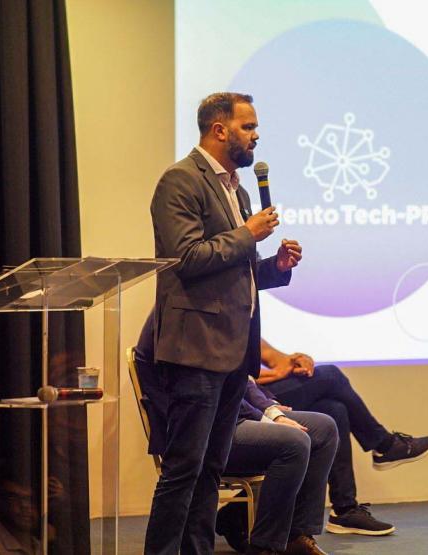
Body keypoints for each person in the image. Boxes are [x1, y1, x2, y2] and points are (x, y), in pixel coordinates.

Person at [145, 92, 303, 555]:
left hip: (235, 351)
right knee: (184, 470)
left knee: (212, 468)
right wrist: (246, 233)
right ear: (220, 130)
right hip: (195, 350)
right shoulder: (179, 181)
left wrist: (275, 265)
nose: (256, 135)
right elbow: (187, 258)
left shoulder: (237, 189)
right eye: (248, 127)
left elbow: (239, 272)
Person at [135, 313, 336, 555]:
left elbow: (243, 383)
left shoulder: (218, 315)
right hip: (197, 429)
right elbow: (206, 393)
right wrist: (270, 418)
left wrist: (270, 409)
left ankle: (295, 535)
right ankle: (265, 546)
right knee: (294, 443)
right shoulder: (184, 319)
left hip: (229, 418)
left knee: (324, 427)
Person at [256, 339, 428, 536]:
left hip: (262, 391)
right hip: (246, 400)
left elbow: (272, 357)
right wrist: (274, 374)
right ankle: (384, 445)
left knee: (334, 409)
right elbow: (232, 377)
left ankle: (345, 510)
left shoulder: (244, 314)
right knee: (331, 375)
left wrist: (294, 361)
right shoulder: (221, 317)